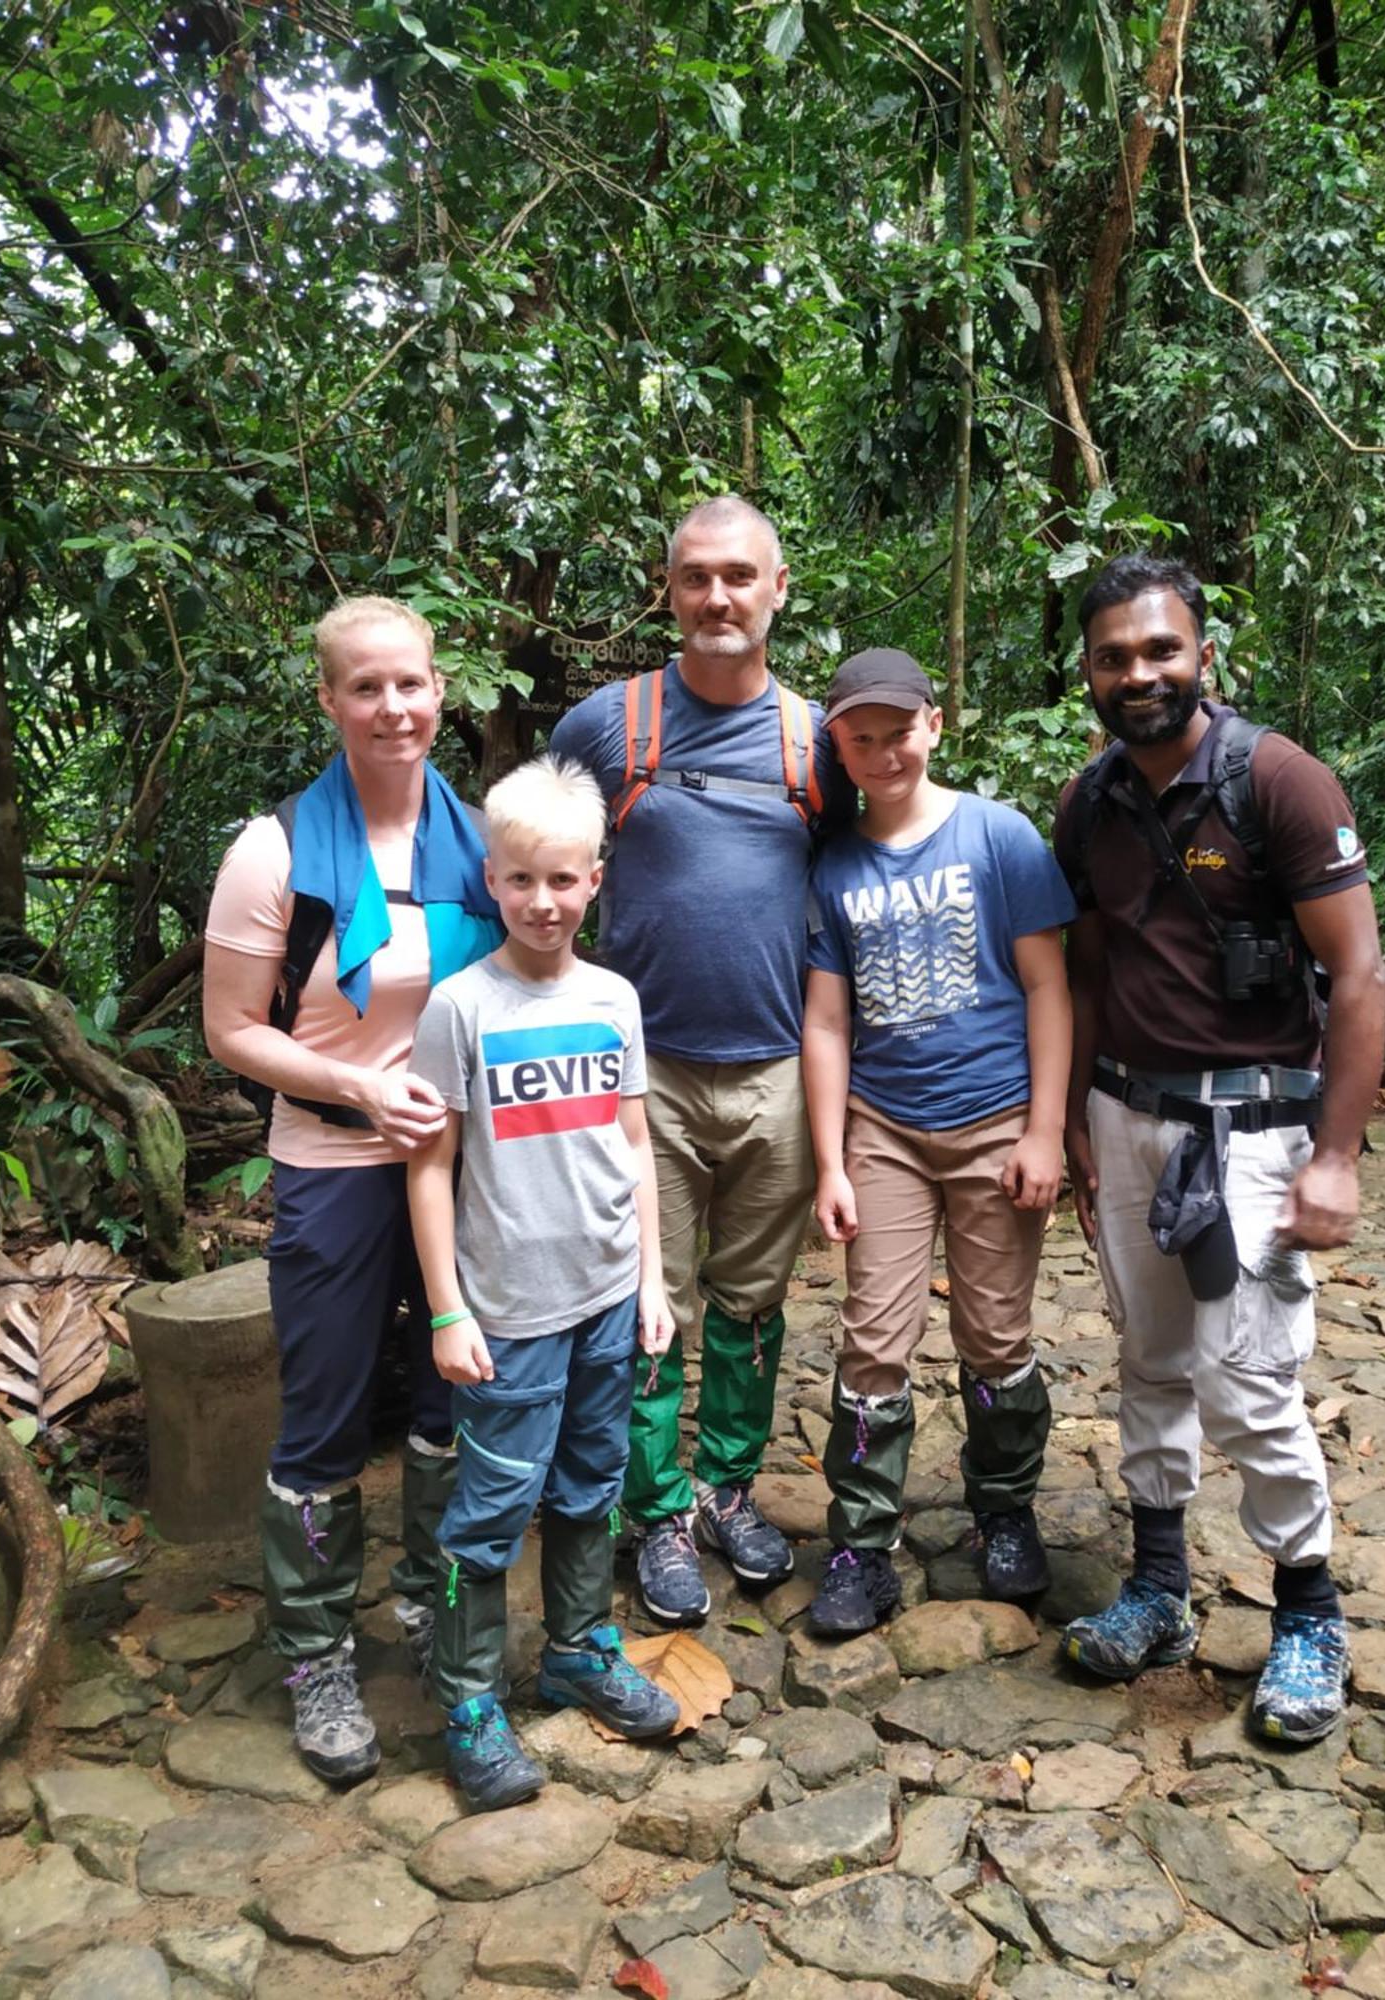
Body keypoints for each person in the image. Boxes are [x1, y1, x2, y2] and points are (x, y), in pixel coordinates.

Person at [1054, 553, 1385, 1743]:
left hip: (1248, 1127)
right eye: (1114, 655)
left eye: (1161, 650)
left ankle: (1308, 1605)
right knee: (1148, 1358)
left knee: (1245, 1374)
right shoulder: (1091, 802)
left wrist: (1335, 1154)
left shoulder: (1278, 781)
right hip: (1128, 1112)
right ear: (1087, 670)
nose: (1139, 672)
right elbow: (1088, 968)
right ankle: (1158, 1581)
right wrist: (1078, 1124)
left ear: (1202, 654)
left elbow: (1358, 971)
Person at [203, 595, 504, 1784]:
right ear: (329, 699)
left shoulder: (478, 839)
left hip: (460, 1168)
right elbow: (230, 1028)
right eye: (366, 687)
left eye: (412, 683)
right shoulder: (274, 849)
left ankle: (431, 1603)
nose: (394, 707)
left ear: (443, 690)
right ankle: (318, 1643)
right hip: (331, 1159)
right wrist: (357, 1084)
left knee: (448, 1398)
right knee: (325, 1411)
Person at [550, 495, 853, 1624]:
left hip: (777, 1066)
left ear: (778, 588)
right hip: (645, 1076)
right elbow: (539, 869)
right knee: (649, 1304)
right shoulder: (606, 726)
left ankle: (727, 1484)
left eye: (739, 575)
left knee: (752, 1301)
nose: (717, 596)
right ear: (669, 590)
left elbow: (844, 891)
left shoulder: (815, 739)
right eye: (695, 577)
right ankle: (657, 1510)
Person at [406, 755, 679, 1811]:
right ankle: (469, 1699)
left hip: (608, 1291)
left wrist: (651, 1281)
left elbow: (633, 1139)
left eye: (564, 879)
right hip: (509, 1308)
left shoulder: (614, 996)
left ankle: (578, 1645)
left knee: (590, 1480)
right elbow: (430, 1166)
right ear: (492, 878)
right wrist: (446, 1305)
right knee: (489, 1507)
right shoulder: (459, 1008)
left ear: (596, 880)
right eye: (522, 880)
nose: (544, 901)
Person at [801, 648, 1075, 1634]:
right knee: (873, 1337)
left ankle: (1003, 1509)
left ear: (936, 723)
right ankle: (860, 1543)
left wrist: (1046, 1130)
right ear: (838, 743)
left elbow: (1048, 983)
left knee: (995, 1333)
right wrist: (831, 1158)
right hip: (885, 1128)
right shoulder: (834, 863)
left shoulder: (999, 837)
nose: (881, 751)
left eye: (898, 729)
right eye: (859, 736)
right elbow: (827, 1022)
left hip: (996, 1118)